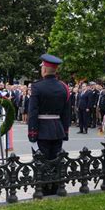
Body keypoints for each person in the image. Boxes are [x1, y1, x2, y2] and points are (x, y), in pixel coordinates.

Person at [28, 54, 70, 196]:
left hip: (42, 130)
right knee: (55, 160)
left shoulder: (37, 87)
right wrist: (65, 131)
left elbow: (33, 112)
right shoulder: (63, 87)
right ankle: (55, 188)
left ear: (44, 70)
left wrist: (32, 133)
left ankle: (42, 190)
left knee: (42, 162)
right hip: (57, 129)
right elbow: (66, 112)